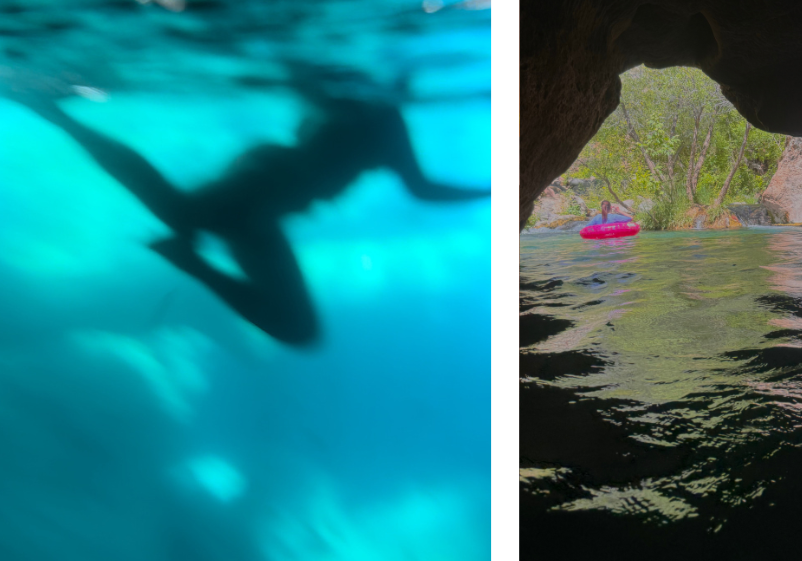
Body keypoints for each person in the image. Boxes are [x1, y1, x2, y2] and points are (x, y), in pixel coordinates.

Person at [11, 91, 489, 346]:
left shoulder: (386, 121)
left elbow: (423, 189)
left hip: (268, 202)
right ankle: (57, 116)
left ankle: (191, 261)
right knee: (182, 214)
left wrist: (494, 188)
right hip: (266, 182)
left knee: (298, 329)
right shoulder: (380, 115)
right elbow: (423, 189)